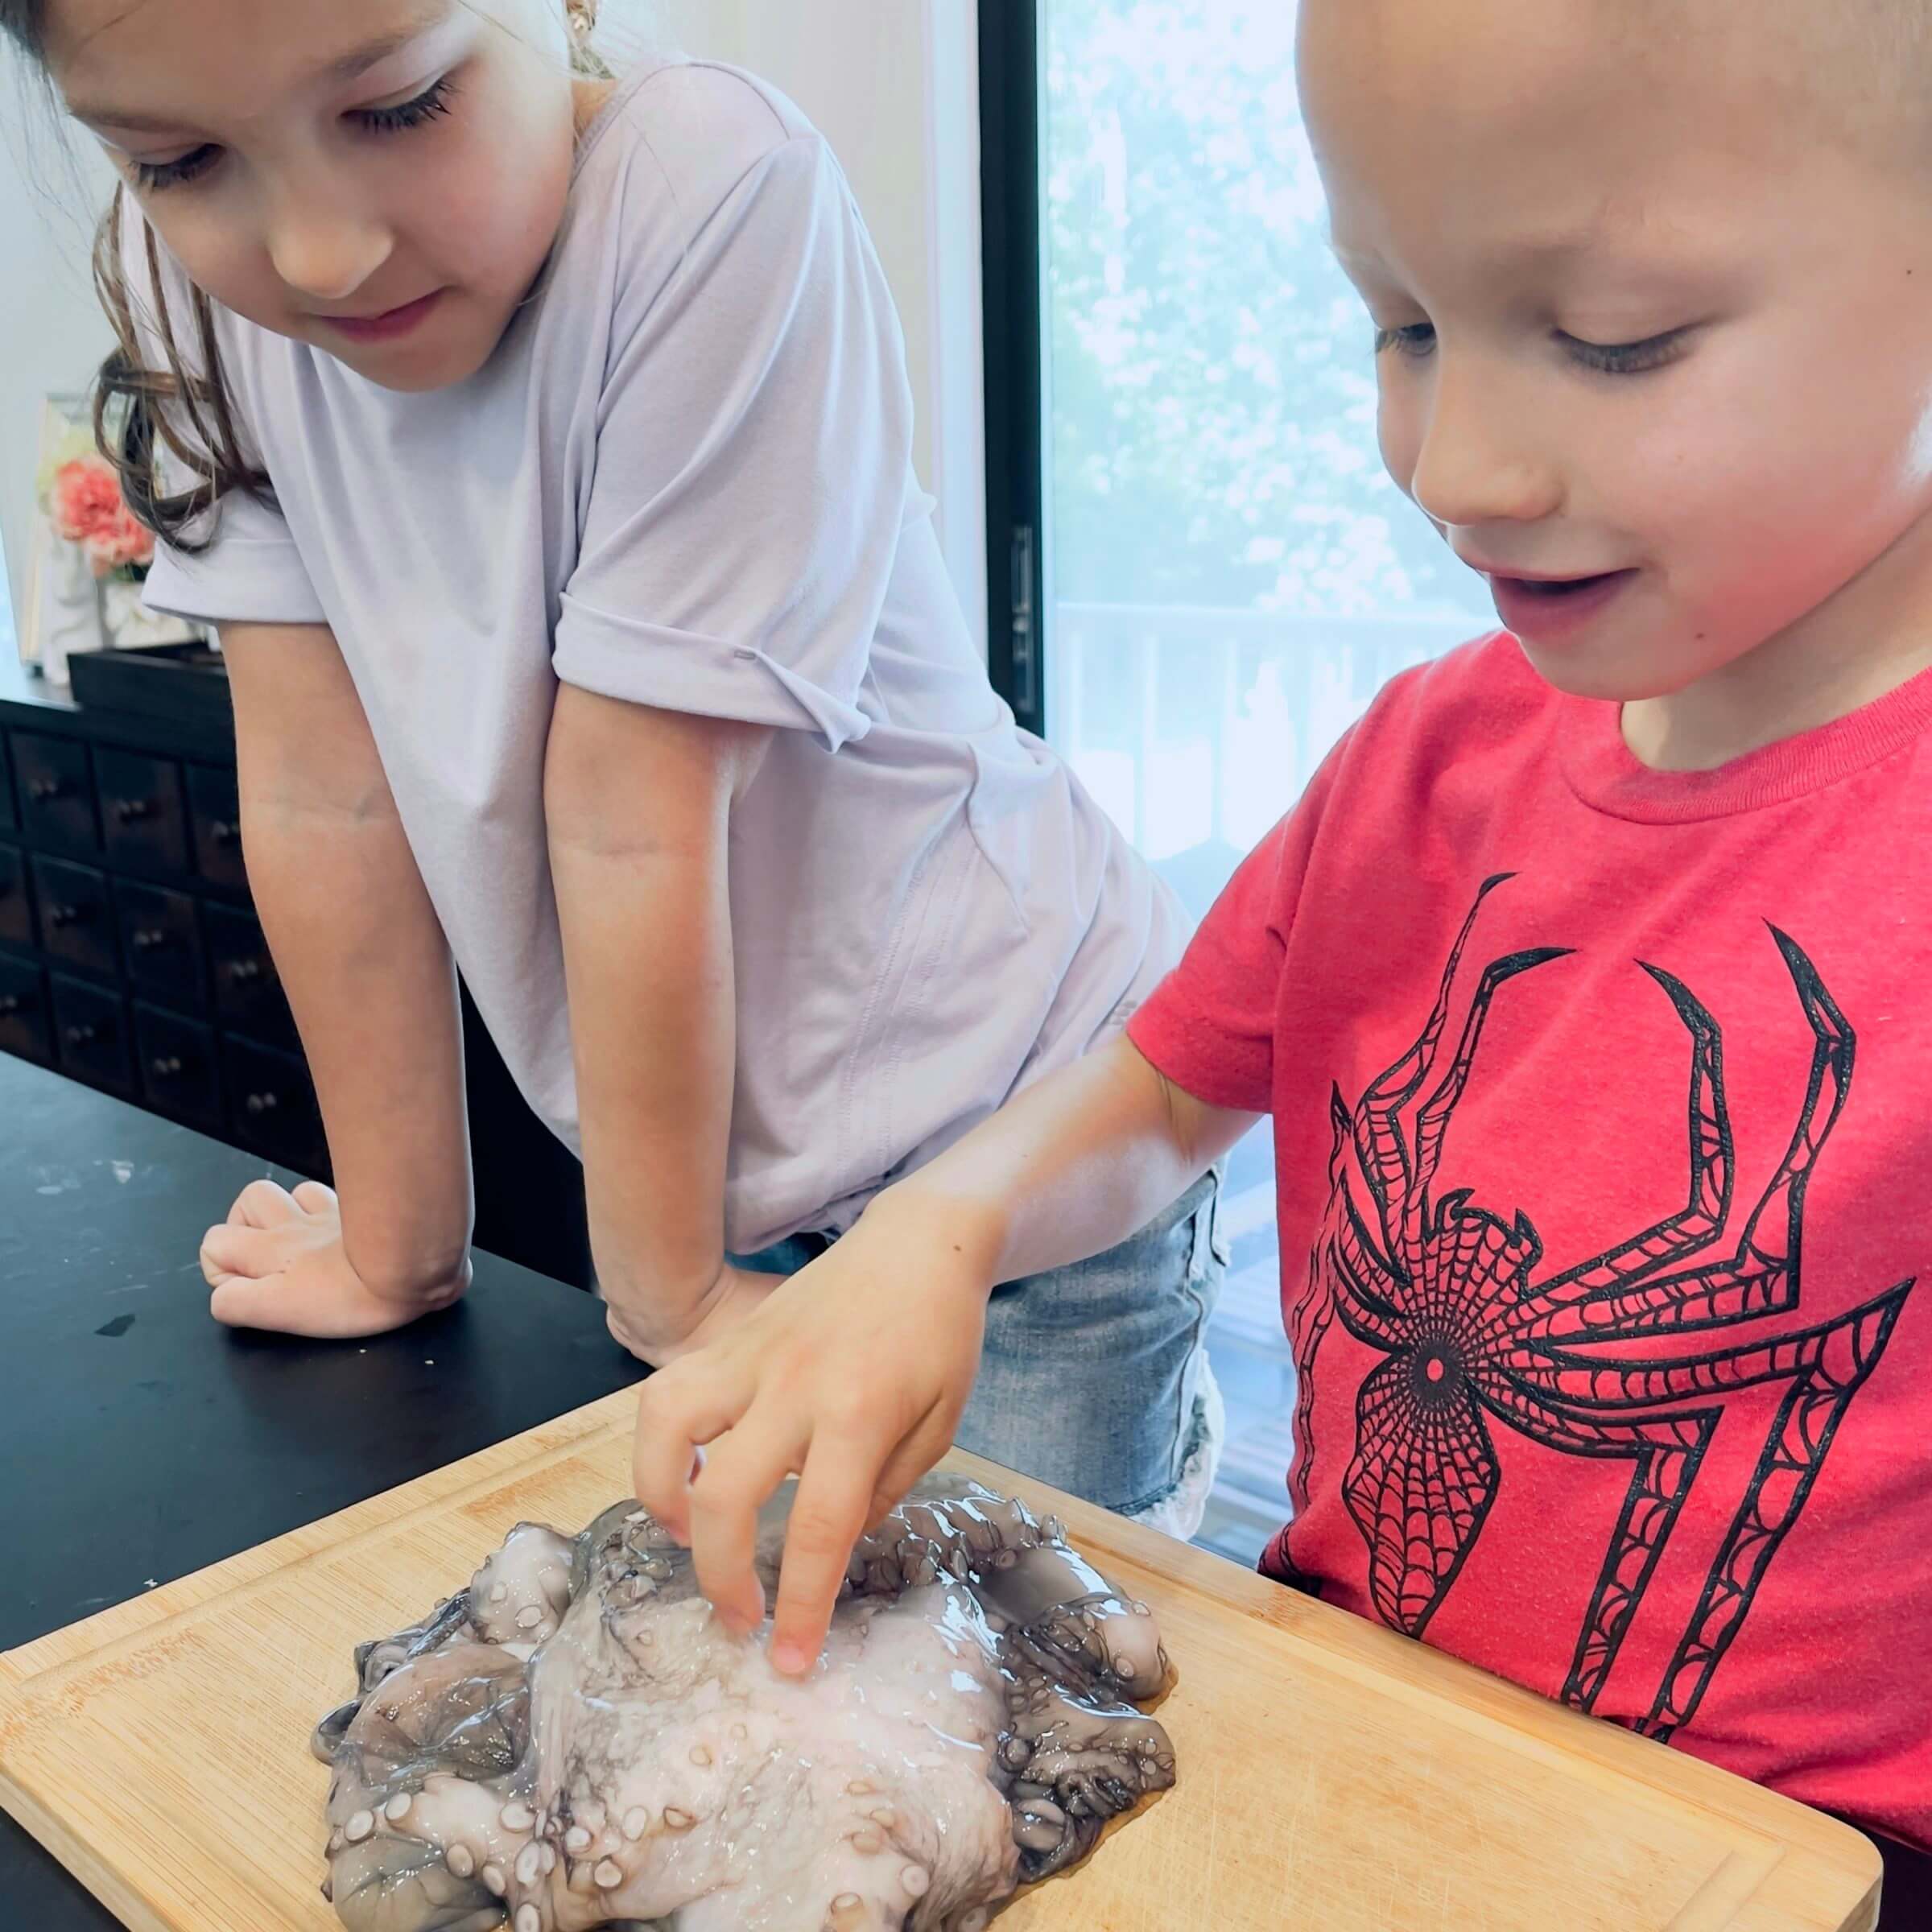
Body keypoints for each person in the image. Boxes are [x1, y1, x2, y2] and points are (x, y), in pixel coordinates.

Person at [631, 0, 1932, 1903]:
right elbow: (1173, 1081)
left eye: (1613, 340)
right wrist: (943, 1223)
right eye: (1398, 323)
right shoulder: (1428, 756)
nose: (1455, 461)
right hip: (1357, 1736)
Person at [6, 0, 1228, 1542]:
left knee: (1018, 1692)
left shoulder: (710, 186)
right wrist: (397, 1247)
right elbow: (327, 797)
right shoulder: (190, 303)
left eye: (397, 107)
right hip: (712, 1190)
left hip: (1012, 1141)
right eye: (182, 160)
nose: (318, 253)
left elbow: (632, 808)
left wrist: (667, 1299)